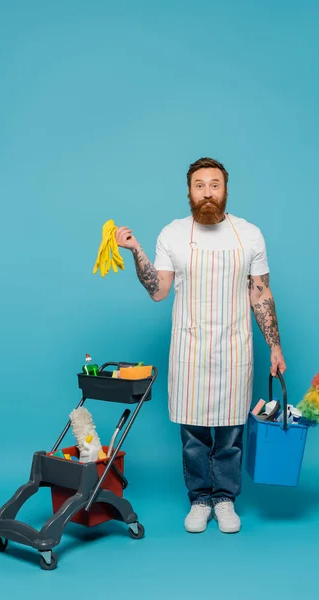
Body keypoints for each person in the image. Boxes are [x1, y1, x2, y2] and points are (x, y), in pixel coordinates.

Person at [116, 157, 286, 534]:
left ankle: (225, 499)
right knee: (193, 434)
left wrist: (274, 346)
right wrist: (135, 250)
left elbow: (261, 293)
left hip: (234, 346)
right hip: (190, 348)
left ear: (225, 190)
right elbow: (159, 291)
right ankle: (199, 499)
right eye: (199, 185)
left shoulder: (250, 234)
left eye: (214, 184)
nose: (207, 192)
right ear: (189, 191)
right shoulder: (172, 234)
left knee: (230, 433)